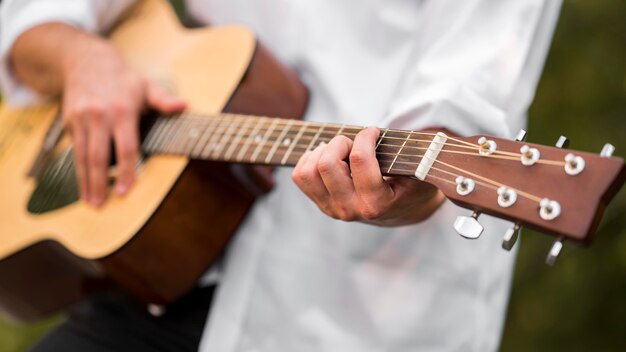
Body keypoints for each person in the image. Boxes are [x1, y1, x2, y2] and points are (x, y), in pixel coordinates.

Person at [0, 0, 562, 351]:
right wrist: (82, 59)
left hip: (345, 314)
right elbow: (32, 18)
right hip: (153, 276)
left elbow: (466, 90)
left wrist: (410, 190)